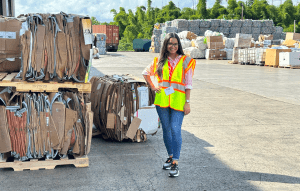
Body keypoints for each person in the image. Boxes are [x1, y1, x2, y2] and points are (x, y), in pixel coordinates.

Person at [142, 33, 196, 177]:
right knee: (166, 129)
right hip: (162, 101)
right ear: (165, 45)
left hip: (179, 101)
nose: (173, 46)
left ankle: (175, 163)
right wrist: (153, 87)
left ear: (179, 45)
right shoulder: (159, 61)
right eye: (170, 44)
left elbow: (188, 84)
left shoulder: (186, 61)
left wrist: (188, 102)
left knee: (175, 128)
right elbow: (145, 73)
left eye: (175, 44)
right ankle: (170, 156)